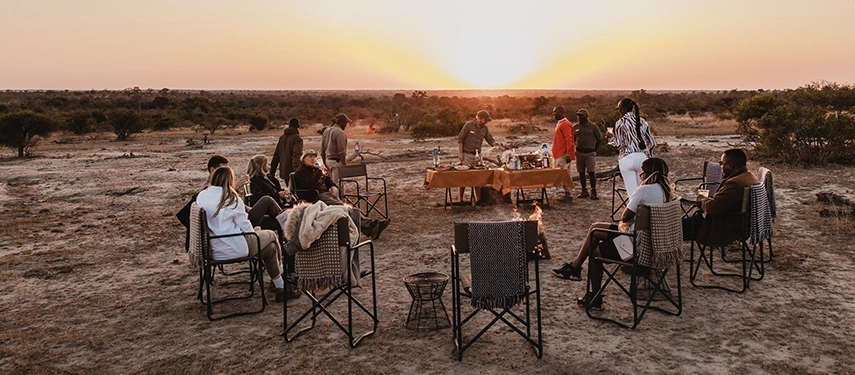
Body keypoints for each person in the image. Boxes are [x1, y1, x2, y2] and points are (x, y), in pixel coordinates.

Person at [551, 158, 673, 309]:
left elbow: (625, 217)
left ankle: (594, 297)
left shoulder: (645, 190)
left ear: (647, 173)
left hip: (636, 247)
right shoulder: (667, 192)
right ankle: (575, 267)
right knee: (596, 228)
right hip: (655, 245)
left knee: (595, 253)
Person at [196, 166, 297, 301]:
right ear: (230, 180)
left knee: (270, 249)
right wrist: (254, 231)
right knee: (272, 236)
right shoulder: (231, 198)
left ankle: (281, 287)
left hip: (213, 248)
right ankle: (284, 276)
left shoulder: (202, 195)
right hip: (235, 246)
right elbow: (244, 225)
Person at [293, 149, 391, 240]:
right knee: (345, 209)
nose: (312, 159)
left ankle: (371, 227)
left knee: (348, 209)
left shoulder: (315, 169)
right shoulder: (301, 172)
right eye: (309, 157)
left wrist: (334, 186)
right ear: (303, 159)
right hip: (316, 196)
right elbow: (309, 186)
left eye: (314, 157)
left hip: (327, 194)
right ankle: (371, 226)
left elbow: (328, 180)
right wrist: (319, 173)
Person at [694, 148, 760, 247]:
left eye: (721, 163)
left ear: (730, 165)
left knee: (675, 228)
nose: (720, 166)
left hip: (722, 227)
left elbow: (713, 208)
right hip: (739, 224)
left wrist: (701, 201)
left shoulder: (734, 183)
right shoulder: (749, 176)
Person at [606, 98, 656, 198]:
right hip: (643, 158)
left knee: (632, 192)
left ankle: (634, 211)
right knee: (641, 189)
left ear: (623, 109)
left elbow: (619, 145)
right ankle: (642, 211)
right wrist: (649, 156)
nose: (618, 111)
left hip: (627, 158)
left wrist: (611, 138)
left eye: (619, 109)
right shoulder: (643, 121)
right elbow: (652, 142)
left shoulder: (620, 123)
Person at [457, 110, 503, 203]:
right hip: (467, 154)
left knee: (477, 177)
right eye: (485, 120)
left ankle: (478, 200)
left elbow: (490, 139)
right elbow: (460, 139)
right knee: (464, 177)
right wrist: (460, 154)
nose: (486, 122)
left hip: (478, 155)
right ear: (480, 118)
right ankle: (460, 199)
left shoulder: (484, 128)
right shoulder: (468, 125)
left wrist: (496, 144)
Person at [573, 108, 603, 200]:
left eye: (581, 115)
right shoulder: (575, 127)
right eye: (578, 115)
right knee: (581, 172)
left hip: (590, 152)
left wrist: (595, 150)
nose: (579, 117)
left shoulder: (593, 126)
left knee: (591, 172)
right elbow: (573, 139)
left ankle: (593, 191)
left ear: (586, 116)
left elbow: (599, 139)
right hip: (579, 152)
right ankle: (584, 191)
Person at [551, 106, 576, 201]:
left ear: (562, 113)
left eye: (555, 112)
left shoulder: (565, 124)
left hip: (563, 154)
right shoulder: (560, 123)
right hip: (559, 152)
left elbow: (569, 140)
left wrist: (569, 153)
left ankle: (568, 194)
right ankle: (567, 193)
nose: (554, 115)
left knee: (565, 174)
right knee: (563, 174)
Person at [270, 117, 303, 185]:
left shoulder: (282, 138)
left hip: (284, 171)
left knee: (289, 189)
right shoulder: (297, 138)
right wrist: (297, 171)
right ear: (297, 126)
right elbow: (296, 155)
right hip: (293, 171)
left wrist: (272, 171)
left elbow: (276, 155)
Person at [321, 114, 351, 184]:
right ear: (341, 122)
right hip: (336, 162)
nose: (346, 125)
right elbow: (342, 152)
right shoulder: (340, 133)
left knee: (331, 184)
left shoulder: (326, 131)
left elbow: (322, 149)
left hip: (327, 161)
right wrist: (344, 165)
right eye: (345, 122)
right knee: (338, 184)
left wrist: (324, 162)